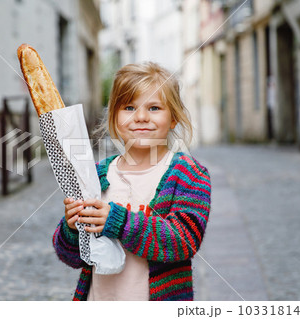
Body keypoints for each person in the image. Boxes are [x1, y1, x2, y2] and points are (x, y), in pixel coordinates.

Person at [52, 62, 211, 301]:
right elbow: (71, 256)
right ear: (115, 117)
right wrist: (72, 228)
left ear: (174, 118)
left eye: (154, 107)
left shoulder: (187, 174)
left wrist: (118, 221)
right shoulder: (96, 174)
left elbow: (184, 240)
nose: (141, 117)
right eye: (128, 107)